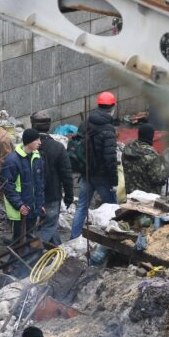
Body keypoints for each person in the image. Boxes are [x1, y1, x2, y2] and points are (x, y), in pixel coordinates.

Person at [71, 92, 119, 239]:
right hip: (101, 175)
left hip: (86, 172)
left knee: (82, 207)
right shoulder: (108, 129)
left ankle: (74, 237)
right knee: (113, 208)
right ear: (112, 107)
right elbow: (110, 158)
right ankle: (112, 239)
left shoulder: (86, 122)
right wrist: (114, 182)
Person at [31, 111, 75, 245]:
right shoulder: (58, 147)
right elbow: (66, 174)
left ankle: (57, 250)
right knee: (49, 225)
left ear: (32, 125)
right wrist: (69, 196)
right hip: (51, 194)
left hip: (31, 194)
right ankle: (32, 251)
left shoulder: (26, 147)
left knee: (49, 223)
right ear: (49, 126)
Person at [1, 129, 45, 243]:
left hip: (33, 206)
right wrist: (19, 205)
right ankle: (16, 251)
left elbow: (40, 183)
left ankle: (29, 252)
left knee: (30, 236)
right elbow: (7, 186)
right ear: (29, 141)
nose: (40, 142)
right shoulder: (12, 160)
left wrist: (40, 204)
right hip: (21, 207)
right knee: (19, 238)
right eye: (37, 140)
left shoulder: (37, 157)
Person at [122, 123, 169, 196]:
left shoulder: (127, 149)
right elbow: (157, 179)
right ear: (151, 136)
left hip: (130, 193)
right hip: (147, 196)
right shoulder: (151, 154)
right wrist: (168, 170)